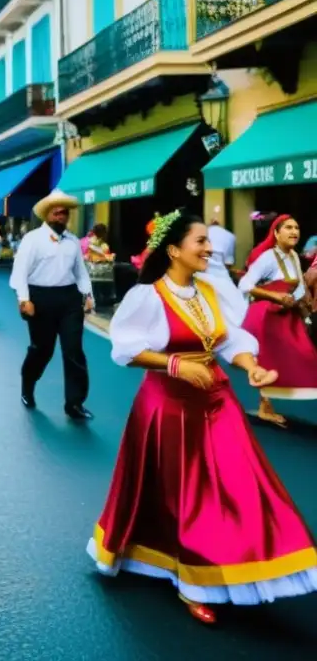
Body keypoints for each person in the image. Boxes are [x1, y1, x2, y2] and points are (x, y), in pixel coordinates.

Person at [86, 210, 316, 624]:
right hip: (167, 405)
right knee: (183, 494)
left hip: (217, 397)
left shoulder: (212, 289)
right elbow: (124, 348)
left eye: (209, 241)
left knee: (244, 481)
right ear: (174, 250)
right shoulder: (149, 296)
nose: (210, 249)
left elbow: (230, 340)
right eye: (200, 241)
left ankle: (253, 558)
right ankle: (193, 581)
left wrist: (251, 368)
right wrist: (175, 365)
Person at [9, 190, 94, 419]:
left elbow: (80, 272)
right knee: (42, 350)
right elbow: (20, 272)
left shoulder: (73, 241)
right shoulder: (32, 239)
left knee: (74, 350)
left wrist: (87, 294)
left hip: (69, 299)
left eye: (64, 213)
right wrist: (24, 299)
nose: (61, 216)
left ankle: (74, 403)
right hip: (40, 298)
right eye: (56, 212)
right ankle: (28, 385)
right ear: (47, 215)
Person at [237, 214, 317, 427]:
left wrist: (304, 310)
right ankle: (265, 406)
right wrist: (275, 296)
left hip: (285, 316)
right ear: (276, 232)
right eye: (288, 227)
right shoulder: (268, 257)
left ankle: (268, 404)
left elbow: (299, 287)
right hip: (265, 316)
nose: (294, 232)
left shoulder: (293, 257)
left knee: (303, 355)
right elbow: (244, 284)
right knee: (267, 360)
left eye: (297, 227)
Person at [205, 207, 236, 282]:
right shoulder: (230, 236)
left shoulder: (202, 233)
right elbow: (228, 263)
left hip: (203, 275)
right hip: (221, 276)